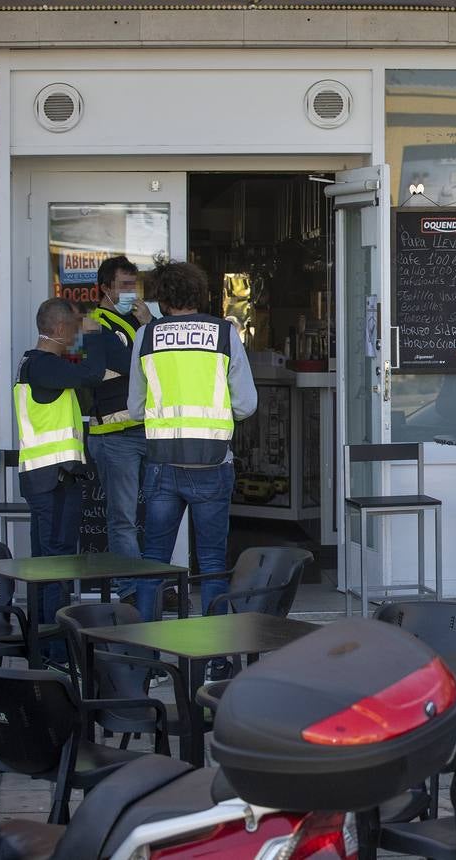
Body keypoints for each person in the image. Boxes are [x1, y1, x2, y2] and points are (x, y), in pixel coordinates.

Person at [127, 262, 257, 641]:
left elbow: (136, 409)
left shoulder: (147, 336)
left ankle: (145, 654)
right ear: (199, 294)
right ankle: (213, 653)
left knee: (154, 560)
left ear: (162, 298)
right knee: (213, 562)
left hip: (162, 463)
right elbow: (246, 404)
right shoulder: (223, 334)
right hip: (212, 462)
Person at [15, 298, 107, 660]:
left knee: (44, 565)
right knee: (58, 564)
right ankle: (56, 654)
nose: (76, 334)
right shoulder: (44, 367)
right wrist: (96, 335)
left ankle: (43, 648)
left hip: (44, 478)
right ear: (58, 329)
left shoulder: (33, 364)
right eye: (72, 327)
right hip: (53, 480)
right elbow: (93, 375)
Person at [86, 255, 155, 604]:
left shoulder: (139, 322)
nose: (132, 292)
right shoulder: (94, 324)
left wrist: (151, 324)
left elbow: (160, 360)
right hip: (115, 437)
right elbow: (130, 364)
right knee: (124, 519)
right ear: (106, 288)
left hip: (148, 431)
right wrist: (148, 335)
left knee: (161, 512)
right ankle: (130, 591)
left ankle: (155, 587)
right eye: (125, 286)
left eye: (135, 285)